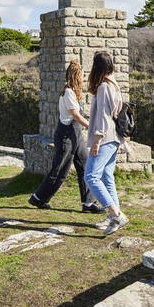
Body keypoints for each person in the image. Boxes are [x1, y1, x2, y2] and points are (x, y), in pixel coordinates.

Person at [28, 60, 104, 213]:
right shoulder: (68, 92)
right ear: (75, 76)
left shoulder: (74, 93)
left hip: (75, 135)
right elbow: (75, 115)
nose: (83, 78)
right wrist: (92, 127)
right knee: (60, 170)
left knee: (85, 165)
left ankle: (88, 203)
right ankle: (38, 198)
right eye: (81, 76)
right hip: (66, 137)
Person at [84, 50, 129, 235]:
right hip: (115, 137)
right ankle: (115, 216)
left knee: (91, 176)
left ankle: (115, 214)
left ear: (97, 66)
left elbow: (103, 116)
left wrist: (96, 140)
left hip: (106, 136)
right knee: (106, 177)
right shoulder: (114, 83)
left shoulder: (103, 87)